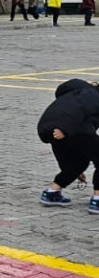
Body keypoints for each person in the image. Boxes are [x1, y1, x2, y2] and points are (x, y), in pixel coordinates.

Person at [35, 79, 99, 214]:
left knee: (77, 163)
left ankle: (52, 192)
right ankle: (97, 200)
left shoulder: (74, 92)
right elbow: (80, 108)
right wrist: (64, 129)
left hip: (49, 127)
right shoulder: (91, 94)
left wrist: (73, 171)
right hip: (70, 128)